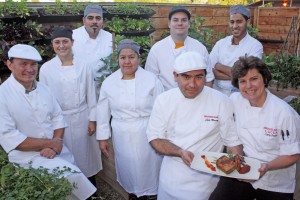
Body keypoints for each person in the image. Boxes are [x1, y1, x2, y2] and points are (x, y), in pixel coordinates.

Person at [0, 44, 96, 199]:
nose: (30, 69)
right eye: (23, 64)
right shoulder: (3, 96)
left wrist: (56, 143)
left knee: (72, 186)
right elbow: (9, 137)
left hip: (56, 149)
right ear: (9, 64)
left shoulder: (44, 89)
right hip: (28, 157)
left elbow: (58, 118)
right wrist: (49, 144)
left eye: (33, 64)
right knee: (74, 179)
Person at [146, 51, 243, 200]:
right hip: (171, 181)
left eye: (199, 77)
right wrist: (180, 152)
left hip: (206, 186)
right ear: (175, 76)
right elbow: (155, 138)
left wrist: (237, 163)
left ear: (206, 76)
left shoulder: (221, 101)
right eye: (186, 77)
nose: (192, 84)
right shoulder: (164, 100)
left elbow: (232, 141)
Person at [209, 56, 300, 200]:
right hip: (242, 170)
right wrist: (236, 159)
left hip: (274, 179)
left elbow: (292, 154)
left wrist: (266, 167)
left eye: (254, 79)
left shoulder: (284, 113)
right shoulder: (234, 101)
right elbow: (231, 135)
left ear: (265, 79)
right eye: (242, 81)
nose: (248, 86)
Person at [97, 39, 164, 200]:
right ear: (118, 59)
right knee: (129, 169)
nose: (127, 61)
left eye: (131, 57)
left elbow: (161, 109)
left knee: (150, 169)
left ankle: (153, 195)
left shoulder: (151, 80)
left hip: (147, 132)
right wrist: (102, 138)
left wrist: (161, 135)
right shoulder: (109, 82)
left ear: (139, 58)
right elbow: (102, 111)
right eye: (123, 57)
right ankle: (132, 194)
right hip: (122, 133)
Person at [39, 27, 102, 193]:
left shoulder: (84, 66)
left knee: (85, 159)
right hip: (60, 123)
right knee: (65, 161)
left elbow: (91, 94)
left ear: (72, 43)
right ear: (52, 44)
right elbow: (45, 101)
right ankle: (70, 193)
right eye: (57, 42)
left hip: (82, 118)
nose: (61, 46)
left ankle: (92, 192)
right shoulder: (46, 68)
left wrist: (93, 119)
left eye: (65, 41)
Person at [145, 5, 214, 91]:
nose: (180, 23)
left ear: (189, 24)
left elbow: (208, 79)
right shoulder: (157, 50)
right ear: (169, 24)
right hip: (166, 100)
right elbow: (150, 79)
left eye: (184, 20)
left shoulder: (199, 48)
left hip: (194, 99)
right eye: (175, 20)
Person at [209, 4, 263, 96]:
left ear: (248, 22)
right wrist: (236, 75)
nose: (235, 26)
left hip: (241, 94)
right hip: (217, 93)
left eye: (239, 22)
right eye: (232, 22)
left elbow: (247, 74)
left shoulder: (255, 46)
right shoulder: (221, 43)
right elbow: (209, 70)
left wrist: (219, 66)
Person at [72, 4, 113, 92]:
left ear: (102, 21)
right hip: (79, 89)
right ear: (84, 20)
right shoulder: (73, 37)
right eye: (90, 18)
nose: (94, 21)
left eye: (98, 18)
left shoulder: (110, 39)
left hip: (105, 89)